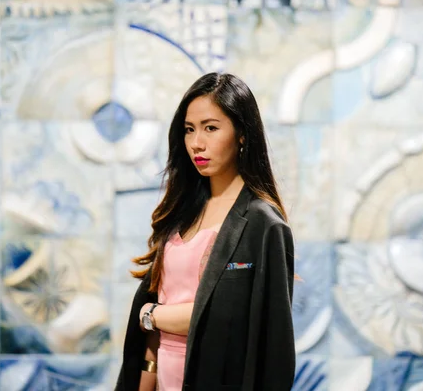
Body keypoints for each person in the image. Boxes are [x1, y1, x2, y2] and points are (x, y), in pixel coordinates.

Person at [115, 72, 296, 391]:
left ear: (242, 134)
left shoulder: (263, 225)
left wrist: (153, 314)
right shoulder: (179, 212)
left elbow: (250, 331)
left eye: (211, 128)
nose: (197, 143)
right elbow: (153, 339)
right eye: (189, 130)